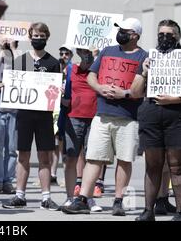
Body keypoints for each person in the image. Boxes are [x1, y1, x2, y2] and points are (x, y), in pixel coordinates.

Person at [63, 18, 147, 216]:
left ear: (135, 35)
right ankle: (82, 198)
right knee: (94, 158)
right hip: (102, 115)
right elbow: (92, 75)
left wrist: (124, 94)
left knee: (125, 160)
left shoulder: (144, 57)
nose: (120, 33)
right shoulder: (107, 51)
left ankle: (118, 201)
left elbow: (139, 89)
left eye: (124, 31)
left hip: (128, 118)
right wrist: (100, 87)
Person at [132, 19, 181, 221]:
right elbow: (135, 92)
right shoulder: (147, 59)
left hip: (177, 116)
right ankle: (148, 211)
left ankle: (180, 212)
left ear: (178, 37)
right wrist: (144, 71)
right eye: (161, 34)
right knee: (152, 165)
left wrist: (174, 99)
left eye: (170, 34)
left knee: (176, 166)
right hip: (151, 115)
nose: (165, 37)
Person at [2, 22, 61, 210]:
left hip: (44, 115)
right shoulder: (22, 60)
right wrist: (5, 86)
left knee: (45, 157)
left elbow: (56, 90)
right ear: (30, 37)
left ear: (47, 37)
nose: (38, 39)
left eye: (42, 36)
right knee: (23, 155)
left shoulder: (53, 62)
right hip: (24, 115)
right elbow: (12, 82)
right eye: (35, 36)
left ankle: (46, 197)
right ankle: (20, 195)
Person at [60, 48, 102, 212]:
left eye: (90, 51)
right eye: (84, 51)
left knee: (92, 159)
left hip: (96, 118)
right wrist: (61, 97)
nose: (87, 54)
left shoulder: (100, 68)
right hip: (73, 117)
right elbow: (61, 94)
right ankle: (70, 198)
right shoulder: (70, 69)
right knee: (71, 158)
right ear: (78, 51)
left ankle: (87, 198)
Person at [0, 39, 20, 195]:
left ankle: (8, 181)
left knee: (12, 149)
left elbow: (24, 68)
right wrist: (2, 49)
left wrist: (14, 48)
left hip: (14, 109)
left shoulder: (20, 58)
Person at [52, 45, 73, 185]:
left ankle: (67, 176)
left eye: (66, 53)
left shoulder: (73, 69)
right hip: (55, 109)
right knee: (55, 143)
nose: (63, 56)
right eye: (61, 53)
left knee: (65, 144)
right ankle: (52, 174)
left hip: (68, 110)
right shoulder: (56, 67)